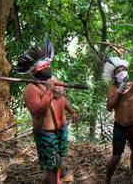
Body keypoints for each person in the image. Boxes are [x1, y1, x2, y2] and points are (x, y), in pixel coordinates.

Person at [16, 39, 78, 184]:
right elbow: (38, 113)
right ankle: (53, 180)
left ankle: (50, 180)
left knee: (56, 159)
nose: (47, 67)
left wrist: (71, 111)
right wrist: (49, 92)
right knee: (51, 164)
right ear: (34, 70)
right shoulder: (30, 89)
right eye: (43, 65)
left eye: (47, 64)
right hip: (46, 134)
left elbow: (62, 99)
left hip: (61, 129)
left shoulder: (53, 79)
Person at [103, 50, 133, 184]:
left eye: (123, 69)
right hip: (120, 126)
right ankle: (107, 180)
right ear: (114, 76)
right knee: (116, 157)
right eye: (118, 71)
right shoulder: (112, 89)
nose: (121, 72)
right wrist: (119, 92)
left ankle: (131, 173)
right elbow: (109, 107)